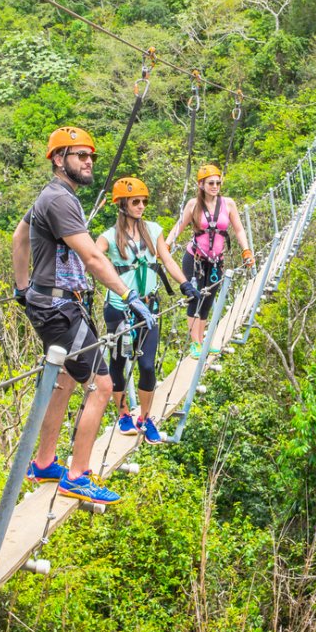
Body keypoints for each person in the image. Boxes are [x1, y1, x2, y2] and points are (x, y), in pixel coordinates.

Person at [12, 126, 156, 504]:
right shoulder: (59, 200)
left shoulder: (54, 196)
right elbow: (93, 257)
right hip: (60, 308)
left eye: (90, 156)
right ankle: (77, 476)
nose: (89, 161)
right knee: (103, 386)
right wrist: (129, 295)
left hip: (53, 304)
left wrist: (23, 288)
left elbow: (19, 237)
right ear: (59, 160)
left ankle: (44, 463)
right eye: (79, 155)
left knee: (64, 379)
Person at [96, 177, 199, 445]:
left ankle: (146, 417)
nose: (141, 206)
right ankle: (123, 414)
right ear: (121, 205)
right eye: (135, 202)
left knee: (147, 366)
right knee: (118, 364)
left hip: (148, 308)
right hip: (119, 309)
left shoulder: (153, 230)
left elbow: (166, 259)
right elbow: (93, 260)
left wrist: (185, 283)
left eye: (143, 201)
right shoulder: (108, 237)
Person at [166, 164, 255, 358]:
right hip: (195, 259)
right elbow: (178, 227)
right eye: (210, 183)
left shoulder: (228, 204)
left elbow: (238, 229)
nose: (215, 186)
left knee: (208, 300)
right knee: (194, 297)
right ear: (201, 185)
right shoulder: (193, 205)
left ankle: (203, 340)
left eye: (217, 182)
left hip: (216, 261)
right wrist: (165, 246)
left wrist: (246, 250)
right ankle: (196, 343)